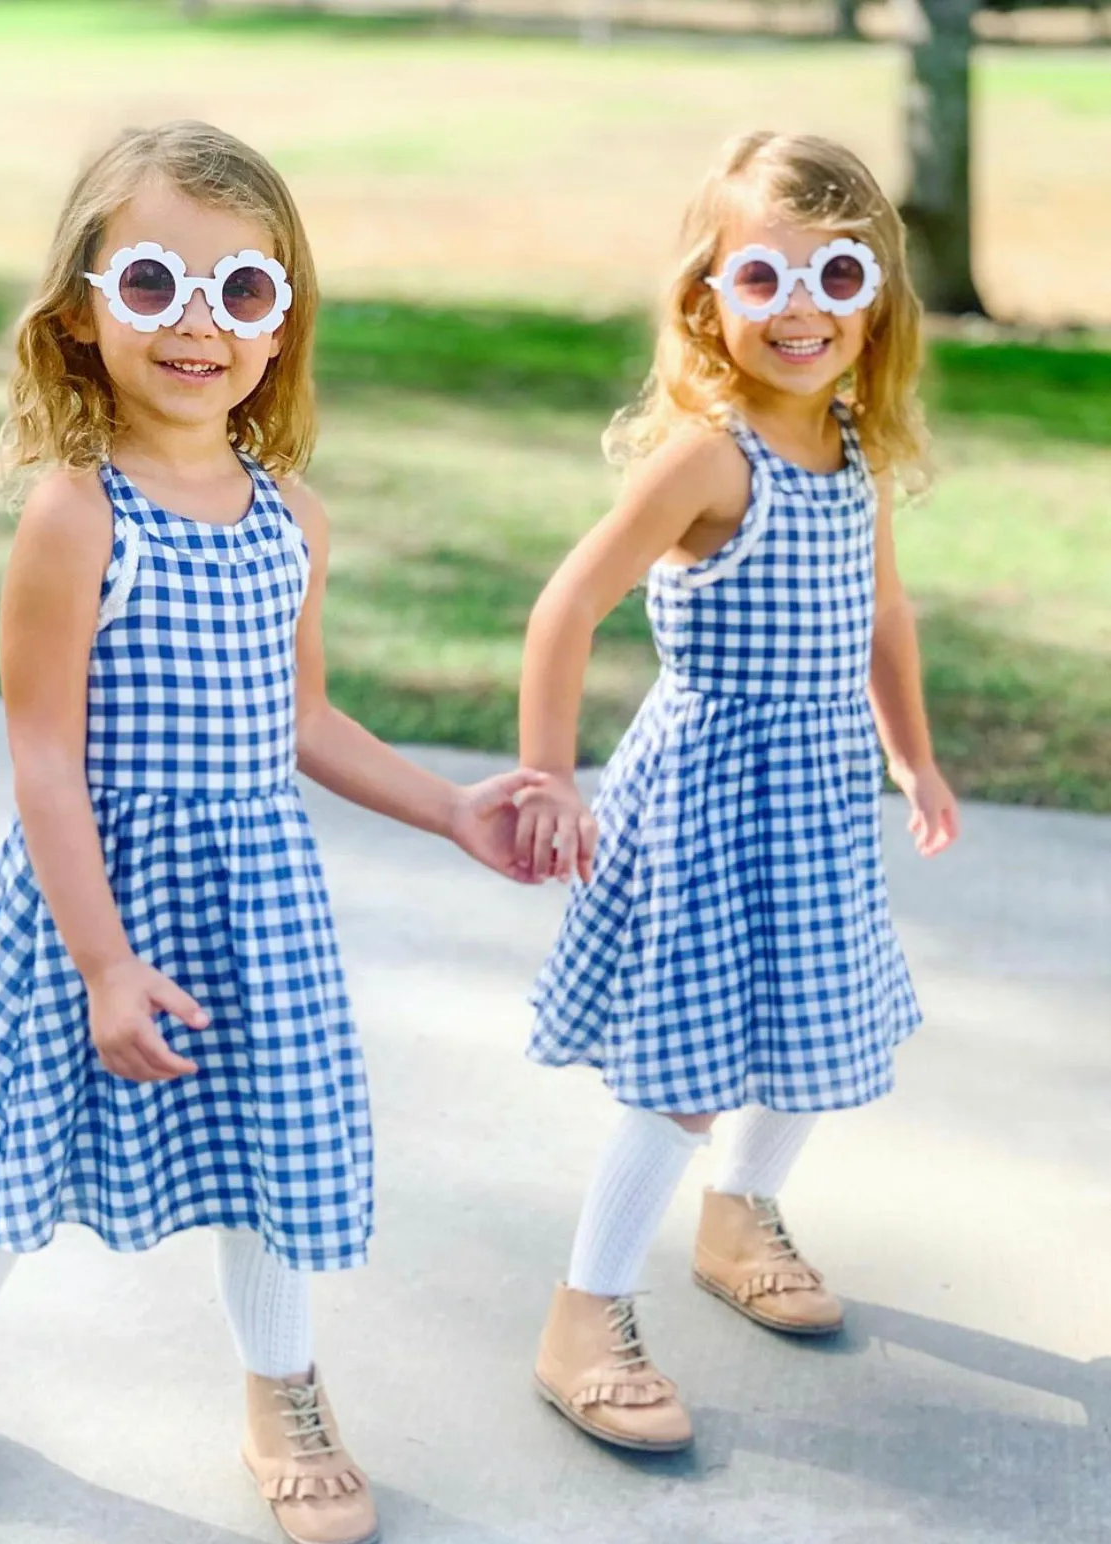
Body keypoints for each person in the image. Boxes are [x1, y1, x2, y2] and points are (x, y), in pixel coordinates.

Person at [0, 120, 546, 1544]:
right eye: (155, 285)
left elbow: (302, 719)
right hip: (89, 905)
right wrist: (104, 964)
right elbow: (45, 762)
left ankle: (280, 1392)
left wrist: (449, 808)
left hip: (253, 905)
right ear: (80, 313)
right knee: (9, 1155)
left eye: (241, 291)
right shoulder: (73, 515)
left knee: (265, 1155)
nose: (198, 325)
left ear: (283, 319)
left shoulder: (287, 516)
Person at [513, 131, 959, 1454]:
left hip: (820, 797)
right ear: (706, 296)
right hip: (708, 798)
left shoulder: (852, 453)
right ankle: (582, 1311)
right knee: (686, 1071)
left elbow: (883, 612)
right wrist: (546, 773)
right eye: (762, 277)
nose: (802, 309)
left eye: (836, 275)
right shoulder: (708, 461)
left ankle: (733, 1215)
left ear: (876, 296)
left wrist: (913, 752)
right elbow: (565, 606)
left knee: (827, 1027)